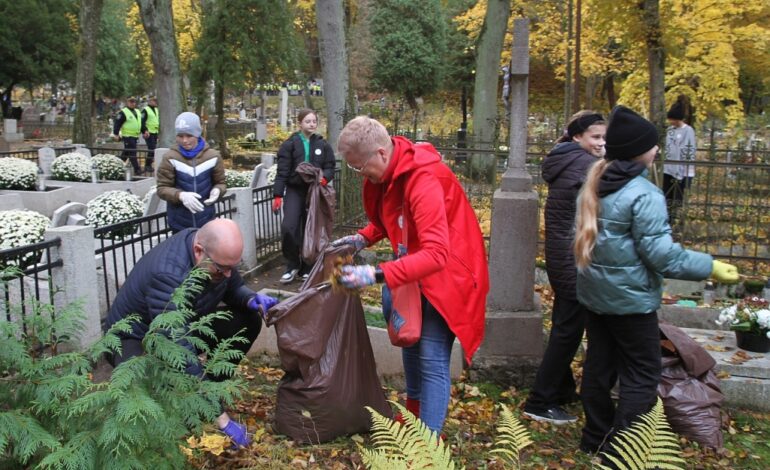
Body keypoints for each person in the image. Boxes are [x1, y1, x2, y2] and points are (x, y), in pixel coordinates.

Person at [573, 105, 739, 456]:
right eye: (653, 145)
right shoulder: (643, 193)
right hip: (630, 301)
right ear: (637, 151)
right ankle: (624, 449)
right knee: (641, 374)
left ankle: (596, 438)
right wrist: (709, 266)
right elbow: (662, 255)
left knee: (599, 367)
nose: (658, 150)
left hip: (596, 296)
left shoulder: (595, 183)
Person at [331, 116, 489, 435]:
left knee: (430, 359)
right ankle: (414, 415)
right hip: (413, 276)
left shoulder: (423, 179)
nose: (359, 174)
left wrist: (374, 275)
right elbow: (396, 218)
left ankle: (425, 446)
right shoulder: (392, 174)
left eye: (359, 166)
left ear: (380, 153)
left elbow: (435, 253)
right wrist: (362, 237)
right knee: (410, 342)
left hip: (446, 278)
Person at [104, 219, 279, 447]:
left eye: (231, 267)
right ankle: (190, 408)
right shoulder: (167, 274)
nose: (228, 274)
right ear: (198, 251)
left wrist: (250, 299)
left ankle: (208, 391)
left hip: (183, 325)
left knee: (248, 320)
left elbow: (232, 286)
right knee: (150, 396)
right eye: (221, 269)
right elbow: (179, 351)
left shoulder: (213, 255)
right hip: (133, 338)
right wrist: (222, 419)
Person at [523, 111, 607, 425]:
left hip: (565, 256)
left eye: (604, 137)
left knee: (564, 325)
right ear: (577, 137)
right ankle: (540, 400)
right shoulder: (586, 166)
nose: (602, 143)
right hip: (575, 259)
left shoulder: (568, 160)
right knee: (567, 332)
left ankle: (560, 389)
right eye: (596, 137)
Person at [272, 109, 335, 283]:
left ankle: (307, 267)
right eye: (308, 121)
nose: (312, 124)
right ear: (300, 123)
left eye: (314, 121)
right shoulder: (289, 145)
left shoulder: (323, 145)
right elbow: (282, 171)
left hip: (314, 192)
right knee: (289, 226)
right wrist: (278, 195)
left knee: (311, 229)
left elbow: (330, 166)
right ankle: (292, 264)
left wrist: (324, 179)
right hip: (294, 191)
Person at [157, 112, 226, 233]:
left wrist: (218, 190)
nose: (184, 140)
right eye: (180, 136)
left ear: (198, 134)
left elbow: (220, 182)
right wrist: (180, 195)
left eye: (189, 136)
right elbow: (162, 188)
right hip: (179, 222)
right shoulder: (170, 158)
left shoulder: (213, 157)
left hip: (206, 219)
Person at [662, 99, 696, 225]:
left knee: (677, 197)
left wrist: (686, 171)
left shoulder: (688, 131)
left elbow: (689, 150)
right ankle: (667, 218)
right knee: (667, 195)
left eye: (672, 119)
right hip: (668, 169)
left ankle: (675, 218)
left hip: (681, 170)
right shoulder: (670, 130)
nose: (670, 122)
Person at [112, 96, 143, 175]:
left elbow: (140, 123)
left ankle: (116, 166)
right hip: (127, 136)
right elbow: (117, 123)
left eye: (134, 102)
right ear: (127, 102)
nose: (133, 103)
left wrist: (145, 130)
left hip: (135, 136)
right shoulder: (123, 112)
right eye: (131, 102)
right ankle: (137, 169)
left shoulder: (137, 111)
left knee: (126, 153)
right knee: (132, 152)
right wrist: (116, 134)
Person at [141, 96, 160, 175]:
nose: (155, 102)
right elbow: (142, 121)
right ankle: (147, 165)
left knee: (153, 148)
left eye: (156, 101)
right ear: (149, 101)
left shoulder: (156, 109)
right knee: (151, 148)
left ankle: (149, 164)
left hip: (155, 132)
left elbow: (156, 121)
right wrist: (144, 130)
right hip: (148, 132)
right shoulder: (145, 110)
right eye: (154, 101)